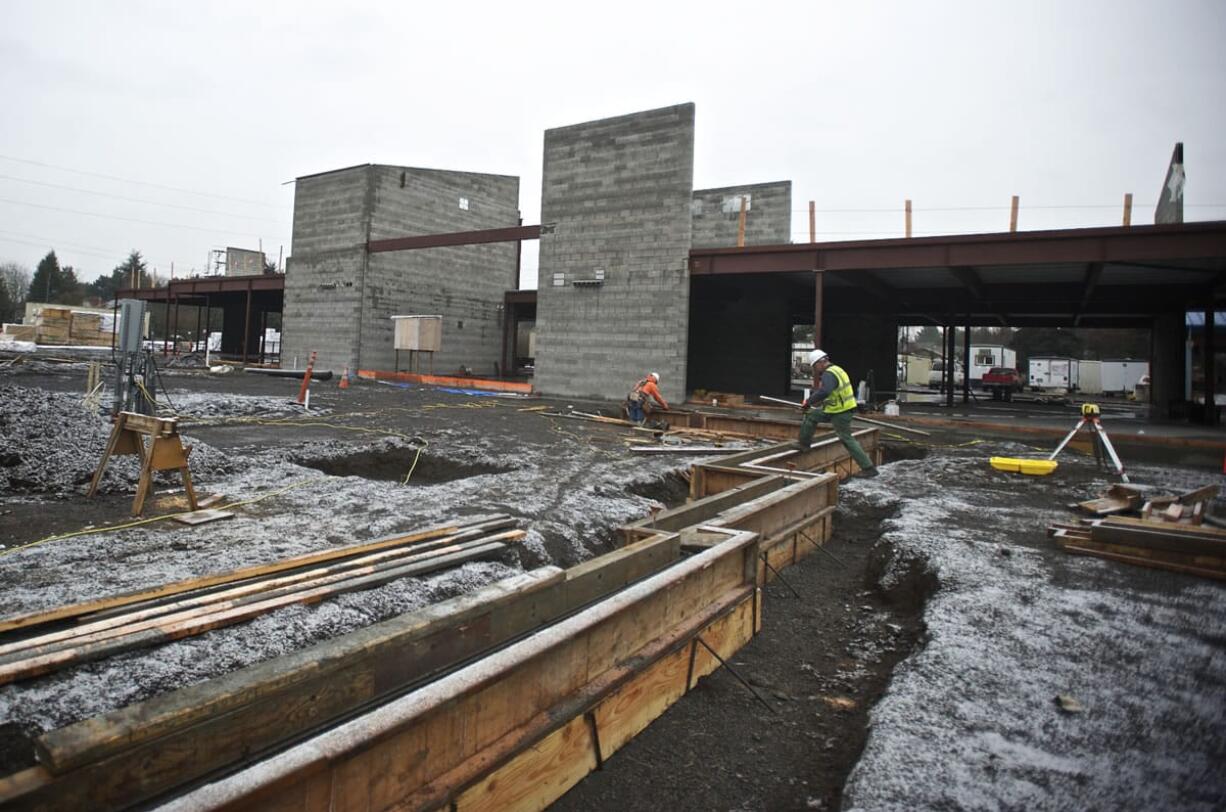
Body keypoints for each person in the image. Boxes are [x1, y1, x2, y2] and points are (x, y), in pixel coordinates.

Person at [798, 349, 879, 478]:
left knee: (846, 438)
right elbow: (829, 392)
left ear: (820, 363)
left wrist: (809, 402)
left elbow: (826, 391)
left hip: (840, 412)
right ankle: (804, 445)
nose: (815, 369)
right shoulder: (837, 370)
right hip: (835, 409)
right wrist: (814, 401)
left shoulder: (828, 374)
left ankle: (868, 468)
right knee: (811, 416)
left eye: (814, 366)